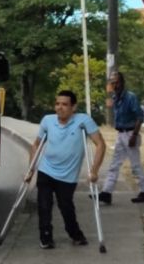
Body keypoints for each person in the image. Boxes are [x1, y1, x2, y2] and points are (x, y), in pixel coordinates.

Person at [24, 90, 106, 249]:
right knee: (44, 205)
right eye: (57, 104)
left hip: (68, 175)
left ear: (73, 107)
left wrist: (94, 171)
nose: (59, 107)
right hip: (46, 170)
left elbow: (100, 144)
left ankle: (75, 234)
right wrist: (31, 170)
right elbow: (36, 144)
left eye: (64, 104)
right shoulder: (47, 120)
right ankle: (46, 237)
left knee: (66, 207)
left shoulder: (83, 120)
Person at [98, 71, 144, 204]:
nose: (114, 85)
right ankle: (106, 193)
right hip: (120, 134)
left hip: (130, 133)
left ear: (122, 82)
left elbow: (140, 117)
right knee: (114, 164)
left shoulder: (130, 97)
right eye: (112, 82)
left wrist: (134, 135)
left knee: (135, 165)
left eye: (116, 82)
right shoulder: (115, 97)